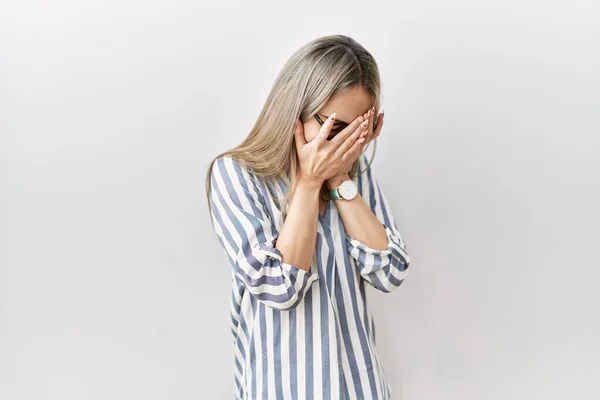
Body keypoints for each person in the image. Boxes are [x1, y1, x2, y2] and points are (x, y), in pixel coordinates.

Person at [206, 34, 411, 400]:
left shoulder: (355, 173)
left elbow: (389, 270)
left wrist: (338, 177)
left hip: (361, 388)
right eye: (334, 128)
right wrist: (309, 180)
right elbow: (279, 287)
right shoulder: (236, 175)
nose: (343, 145)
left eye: (357, 132)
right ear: (296, 108)